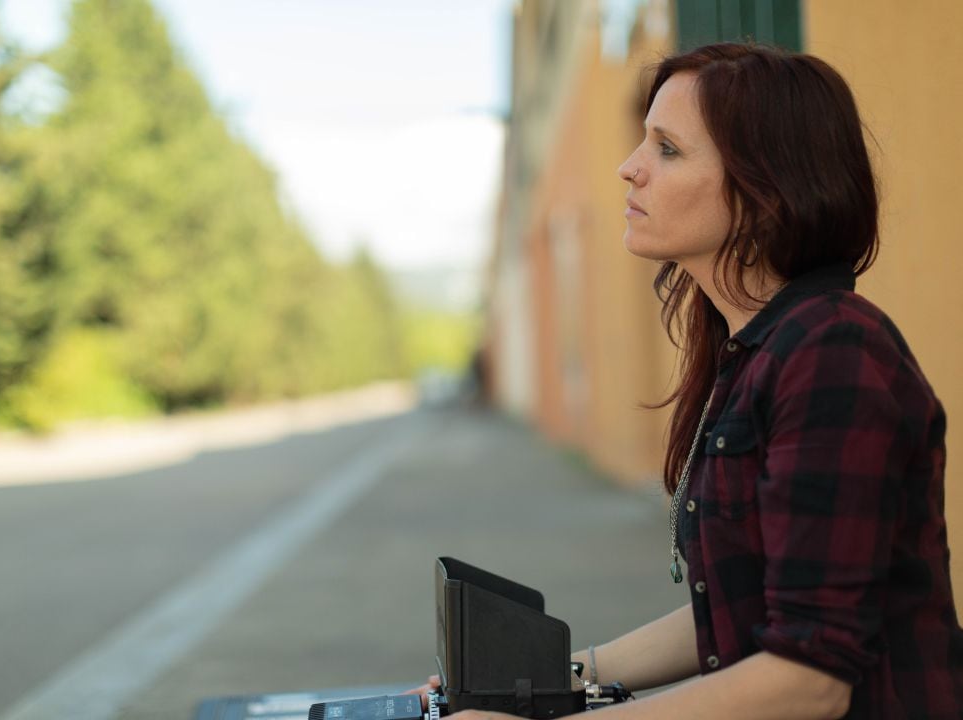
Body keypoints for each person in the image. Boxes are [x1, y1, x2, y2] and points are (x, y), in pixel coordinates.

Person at [412, 42, 963, 719]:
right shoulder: (755, 349)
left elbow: (809, 679)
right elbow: (741, 606)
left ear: (766, 188)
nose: (629, 167)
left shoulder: (833, 353)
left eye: (667, 149)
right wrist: (551, 680)